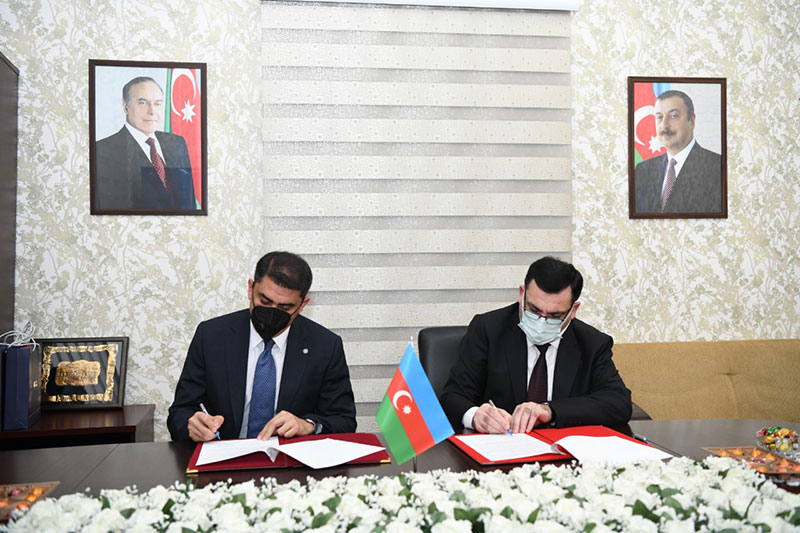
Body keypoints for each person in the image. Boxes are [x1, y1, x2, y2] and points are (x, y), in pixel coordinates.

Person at [167, 251, 356, 442]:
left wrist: (307, 425)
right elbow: (180, 412)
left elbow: (344, 421)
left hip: (289, 456)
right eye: (264, 301)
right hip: (225, 452)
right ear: (251, 288)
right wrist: (192, 426)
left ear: (302, 305)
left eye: (285, 308)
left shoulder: (325, 346)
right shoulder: (211, 336)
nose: (272, 312)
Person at [441, 256, 632, 434]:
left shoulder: (592, 343)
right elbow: (453, 396)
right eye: (533, 310)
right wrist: (476, 416)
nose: (541, 321)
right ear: (522, 294)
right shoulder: (488, 330)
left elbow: (618, 403)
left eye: (555, 315)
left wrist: (549, 410)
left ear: (573, 310)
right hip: (500, 446)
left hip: (559, 451)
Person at [94, 76, 196, 211]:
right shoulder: (103, 150)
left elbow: (189, 203)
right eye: (142, 103)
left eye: (157, 104)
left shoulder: (177, 143)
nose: (152, 111)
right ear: (125, 106)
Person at [634, 89, 722, 214]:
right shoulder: (643, 170)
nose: (664, 125)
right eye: (659, 117)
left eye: (673, 116)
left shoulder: (718, 167)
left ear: (691, 121)